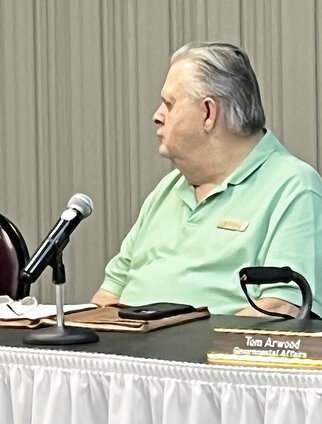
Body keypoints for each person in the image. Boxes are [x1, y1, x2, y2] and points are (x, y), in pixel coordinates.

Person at [92, 42, 322, 316]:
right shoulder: (167, 189)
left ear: (208, 113)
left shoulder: (293, 186)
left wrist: (182, 352)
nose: (157, 116)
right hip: (128, 356)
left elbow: (282, 309)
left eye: (169, 104)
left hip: (206, 358)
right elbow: (109, 295)